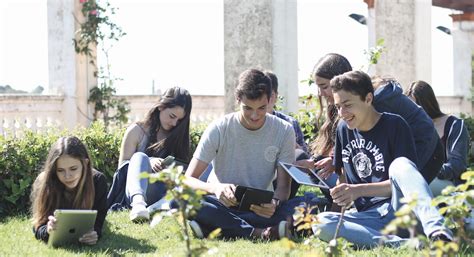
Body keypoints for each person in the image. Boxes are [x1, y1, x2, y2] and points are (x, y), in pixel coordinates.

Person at [312, 70, 452, 248]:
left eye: (347, 105)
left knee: (400, 165)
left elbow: (403, 184)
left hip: (400, 211)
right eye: (338, 106)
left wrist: (357, 190)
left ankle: (437, 231)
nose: (342, 113)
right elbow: (343, 180)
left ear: (368, 99)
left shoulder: (396, 124)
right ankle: (408, 245)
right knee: (320, 222)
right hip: (369, 217)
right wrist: (341, 205)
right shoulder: (342, 129)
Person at [184, 68, 296, 240]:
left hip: (260, 208)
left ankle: (214, 227)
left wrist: (275, 203)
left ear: (270, 99)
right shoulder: (219, 128)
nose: (254, 115)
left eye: (261, 108)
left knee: (302, 205)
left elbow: (283, 187)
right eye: (247, 108)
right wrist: (215, 188)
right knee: (184, 202)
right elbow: (187, 180)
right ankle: (257, 232)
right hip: (219, 202)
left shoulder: (284, 130)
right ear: (238, 99)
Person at [302, 53, 443, 186]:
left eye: (324, 86)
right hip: (397, 152)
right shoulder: (349, 104)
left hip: (427, 151)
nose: (320, 93)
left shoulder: (374, 103)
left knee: (398, 194)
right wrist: (333, 161)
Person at [106, 86, 192, 222]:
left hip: (164, 192)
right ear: (160, 107)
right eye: (172, 116)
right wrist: (148, 162)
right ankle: (139, 205)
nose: (175, 123)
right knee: (139, 157)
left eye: (179, 120)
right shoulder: (136, 131)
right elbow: (122, 170)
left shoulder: (179, 137)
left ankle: (160, 206)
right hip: (135, 194)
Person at [30, 136, 108, 245]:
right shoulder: (44, 182)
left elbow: (98, 224)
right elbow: (37, 226)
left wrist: (94, 234)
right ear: (54, 170)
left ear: (85, 163)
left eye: (73, 169)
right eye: (60, 170)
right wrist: (48, 230)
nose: (67, 176)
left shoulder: (98, 181)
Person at [405, 80, 470, 195]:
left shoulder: (455, 125)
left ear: (428, 103)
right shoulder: (411, 127)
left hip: (449, 186)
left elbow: (457, 165)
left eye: (417, 106)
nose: (413, 111)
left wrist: (428, 170)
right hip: (418, 180)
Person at [264, 70, 309, 199]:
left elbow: (303, 159)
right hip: (257, 175)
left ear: (276, 96)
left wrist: (290, 143)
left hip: (281, 175)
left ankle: (281, 199)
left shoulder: (289, 123)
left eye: (270, 95)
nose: (266, 101)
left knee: (298, 156)